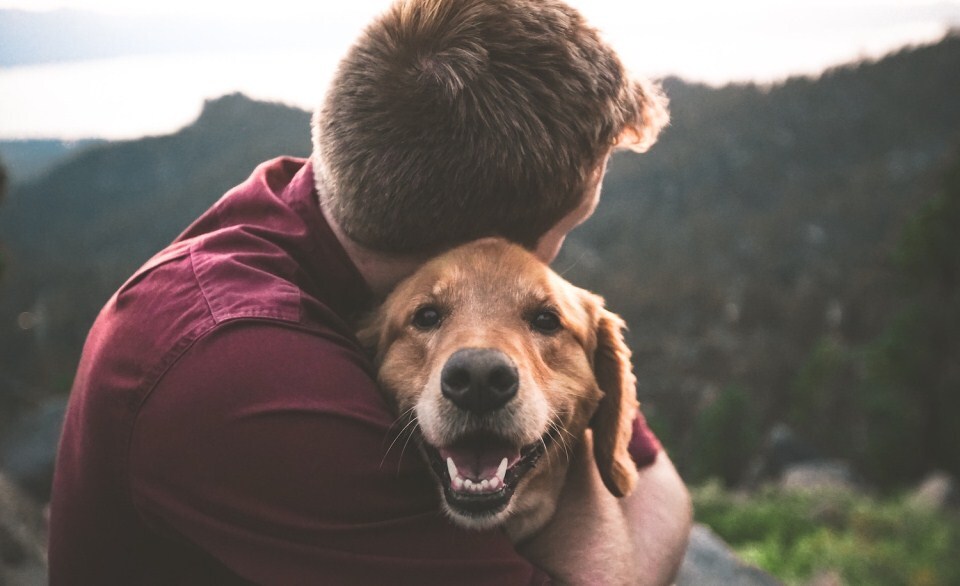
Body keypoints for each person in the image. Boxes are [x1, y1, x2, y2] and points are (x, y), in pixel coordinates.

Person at [49, 0, 692, 583]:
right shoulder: (243, 374)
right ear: (485, 245)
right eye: (571, 225)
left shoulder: (337, 208)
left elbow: (657, 479)